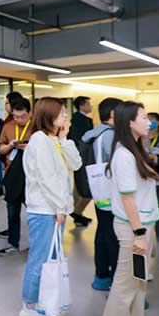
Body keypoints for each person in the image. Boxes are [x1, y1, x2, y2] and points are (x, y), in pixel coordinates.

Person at [20, 97, 81, 316]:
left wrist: (64, 138)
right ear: (49, 115)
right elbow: (47, 179)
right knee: (40, 258)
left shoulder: (53, 139)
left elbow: (76, 164)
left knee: (51, 257)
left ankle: (44, 301)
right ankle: (28, 305)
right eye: (62, 113)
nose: (66, 117)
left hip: (55, 209)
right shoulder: (39, 140)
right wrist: (59, 208)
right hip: (45, 210)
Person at [102, 102, 159, 316]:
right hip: (134, 230)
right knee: (125, 286)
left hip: (143, 226)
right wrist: (139, 234)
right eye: (144, 118)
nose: (149, 122)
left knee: (138, 282)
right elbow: (127, 199)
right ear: (130, 122)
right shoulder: (124, 156)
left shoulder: (135, 150)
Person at [81, 98, 123, 291]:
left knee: (104, 232)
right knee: (115, 236)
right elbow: (121, 166)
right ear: (113, 114)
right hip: (113, 194)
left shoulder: (94, 134)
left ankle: (101, 276)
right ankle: (117, 281)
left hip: (100, 193)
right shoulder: (111, 136)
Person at [0, 98, 32, 257]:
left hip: (31, 175)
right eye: (16, 116)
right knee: (12, 210)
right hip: (12, 174)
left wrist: (28, 147)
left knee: (34, 211)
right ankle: (13, 243)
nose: (19, 120)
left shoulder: (37, 128)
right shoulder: (8, 126)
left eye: (22, 116)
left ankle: (37, 243)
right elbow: (1, 150)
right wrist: (10, 145)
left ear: (30, 113)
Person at [69, 96, 94, 227]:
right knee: (84, 185)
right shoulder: (82, 120)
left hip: (79, 154)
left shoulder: (78, 118)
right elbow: (82, 139)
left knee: (78, 185)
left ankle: (77, 212)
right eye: (88, 104)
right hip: (83, 155)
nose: (91, 106)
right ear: (82, 106)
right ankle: (76, 212)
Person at [146, 113, 159, 249]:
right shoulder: (142, 138)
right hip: (145, 180)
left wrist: (157, 159)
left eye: (152, 119)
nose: (150, 122)